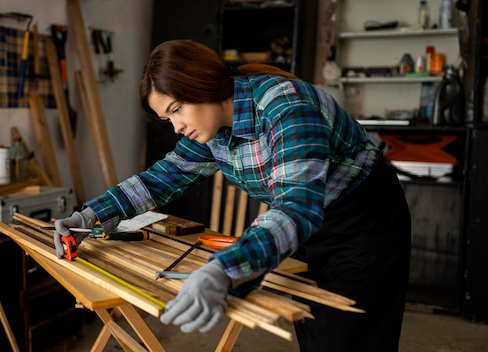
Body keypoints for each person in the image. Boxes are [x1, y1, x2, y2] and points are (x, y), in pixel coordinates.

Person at [53, 39, 411, 352]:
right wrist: (92, 215)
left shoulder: (285, 107)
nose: (176, 126)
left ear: (202, 84)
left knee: (351, 338)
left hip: (364, 221)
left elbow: (297, 208)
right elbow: (163, 178)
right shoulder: (213, 128)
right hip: (305, 222)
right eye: (167, 118)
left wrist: (222, 271)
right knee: (317, 330)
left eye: (177, 109)